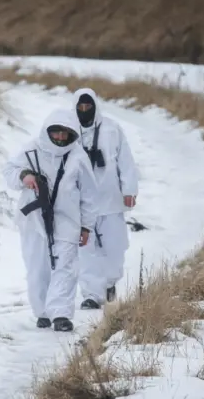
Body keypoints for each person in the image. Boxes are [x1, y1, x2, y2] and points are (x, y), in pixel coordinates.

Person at [2, 108, 99, 332]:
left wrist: (87, 225)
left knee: (66, 266)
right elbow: (9, 170)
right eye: (56, 132)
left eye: (66, 134)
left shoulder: (77, 156)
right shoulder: (32, 149)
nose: (60, 138)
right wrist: (24, 176)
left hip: (68, 219)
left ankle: (61, 314)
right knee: (38, 268)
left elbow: (89, 195)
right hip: (33, 219)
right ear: (48, 131)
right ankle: (43, 311)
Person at [72, 87, 139, 310]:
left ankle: (110, 283)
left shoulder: (111, 129)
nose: (84, 110)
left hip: (110, 199)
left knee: (115, 246)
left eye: (87, 106)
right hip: (81, 203)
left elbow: (125, 160)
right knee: (86, 249)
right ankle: (92, 294)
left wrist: (129, 189)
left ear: (94, 106)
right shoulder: (69, 129)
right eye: (80, 107)